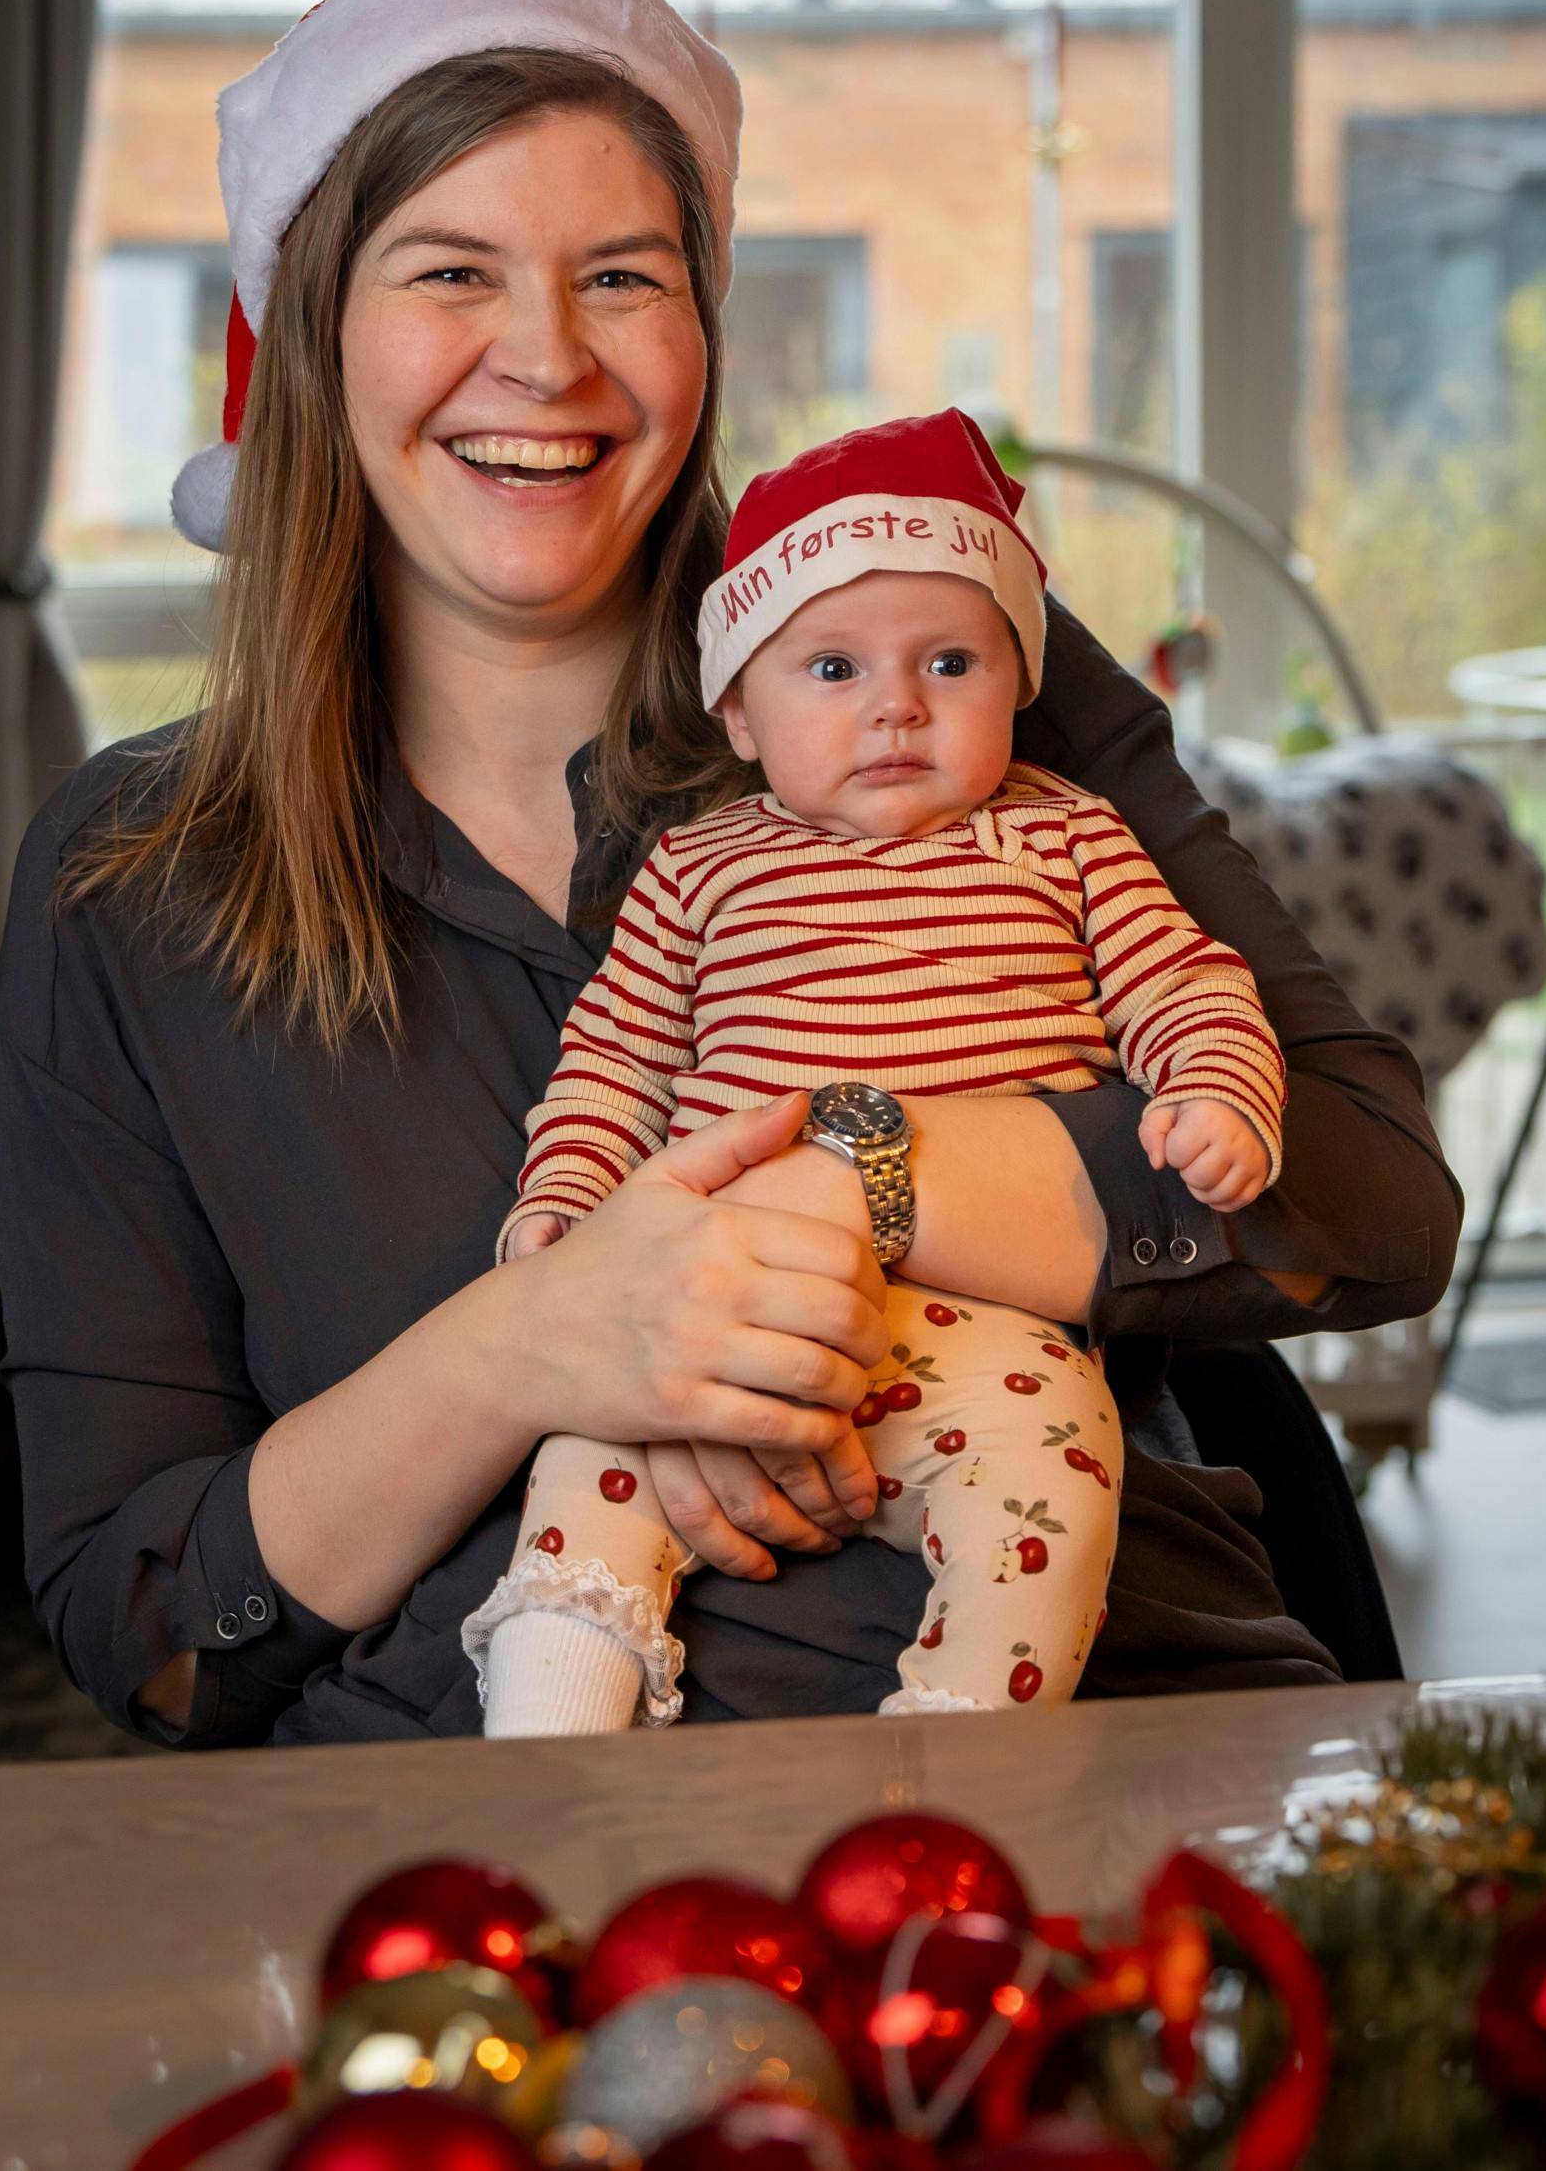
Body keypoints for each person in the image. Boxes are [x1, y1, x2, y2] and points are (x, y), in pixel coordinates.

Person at [0, 0, 1458, 1752]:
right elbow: (145, 1622)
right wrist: (534, 1345)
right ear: (314, 339)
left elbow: (1375, 1203)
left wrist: (857, 1180)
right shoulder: (128, 880)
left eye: (621, 274)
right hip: (492, 1822)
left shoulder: (938, 662)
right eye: (450, 271)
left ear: (703, 326)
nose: (543, 358)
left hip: (1091, 1732)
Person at [466, 409, 1287, 1734]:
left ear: (1016, 682)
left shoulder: (1065, 838)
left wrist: (1211, 1091)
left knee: (1053, 1493)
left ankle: (956, 1757)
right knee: (586, 1470)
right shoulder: (700, 868)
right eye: (832, 667)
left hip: (988, 1332)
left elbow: (1186, 982)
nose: (896, 704)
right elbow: (609, 1064)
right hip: (715, 1310)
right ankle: (549, 1743)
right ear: (737, 708)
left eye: (948, 662)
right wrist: (560, 1225)